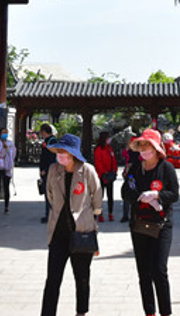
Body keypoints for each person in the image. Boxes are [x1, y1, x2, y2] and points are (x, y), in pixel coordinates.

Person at [41, 133, 102, 316]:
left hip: (81, 231)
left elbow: (97, 195)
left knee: (82, 277)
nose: (61, 156)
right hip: (58, 232)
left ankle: (81, 312)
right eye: (59, 152)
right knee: (53, 278)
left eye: (64, 152)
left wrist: (93, 216)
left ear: (73, 154)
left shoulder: (87, 170)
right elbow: (50, 194)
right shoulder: (53, 169)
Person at [123, 128, 179, 316]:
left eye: (148, 146)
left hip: (161, 225)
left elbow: (174, 194)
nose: (144, 150)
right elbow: (125, 191)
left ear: (156, 148)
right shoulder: (135, 169)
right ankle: (149, 312)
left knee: (159, 269)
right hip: (139, 224)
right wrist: (141, 196)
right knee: (144, 272)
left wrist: (157, 195)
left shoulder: (166, 168)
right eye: (141, 146)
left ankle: (165, 312)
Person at [93, 130, 118, 222]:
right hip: (101, 176)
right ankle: (100, 214)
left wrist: (114, 171)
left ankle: (110, 213)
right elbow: (98, 162)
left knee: (110, 196)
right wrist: (104, 172)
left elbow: (113, 160)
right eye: (108, 137)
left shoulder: (109, 148)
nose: (109, 139)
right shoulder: (99, 149)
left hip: (110, 174)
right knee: (100, 196)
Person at [37, 123, 57, 223]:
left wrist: (46, 169)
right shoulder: (47, 141)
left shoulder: (52, 141)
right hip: (46, 171)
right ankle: (48, 214)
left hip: (50, 171)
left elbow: (51, 158)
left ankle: (50, 215)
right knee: (47, 193)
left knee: (49, 193)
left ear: (44, 132)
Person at [119, 143, 140, 223]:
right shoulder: (134, 153)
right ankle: (129, 215)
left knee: (130, 194)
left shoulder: (138, 153)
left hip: (133, 175)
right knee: (129, 193)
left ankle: (130, 215)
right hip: (131, 175)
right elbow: (123, 154)